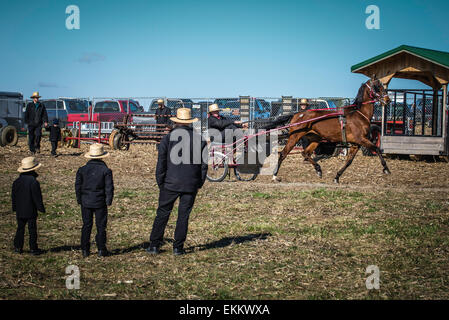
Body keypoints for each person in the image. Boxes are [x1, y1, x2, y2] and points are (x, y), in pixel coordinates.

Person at [147, 108, 208, 256]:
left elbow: (161, 163)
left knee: (162, 213)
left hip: (170, 182)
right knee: (183, 216)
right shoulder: (200, 139)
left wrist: (161, 182)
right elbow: (204, 165)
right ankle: (178, 247)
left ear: (176, 122)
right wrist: (199, 182)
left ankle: (154, 245)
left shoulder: (167, 139)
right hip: (190, 183)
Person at [75, 144, 114, 258]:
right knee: (101, 226)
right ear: (102, 156)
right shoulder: (106, 170)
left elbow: (78, 186)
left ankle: (85, 249)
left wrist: (79, 199)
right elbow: (109, 187)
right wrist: (108, 200)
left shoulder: (82, 170)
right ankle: (101, 249)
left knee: (86, 225)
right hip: (100, 202)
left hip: (86, 201)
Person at [11, 157, 45, 255]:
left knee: (20, 228)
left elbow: (14, 196)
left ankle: (18, 247)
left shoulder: (17, 182)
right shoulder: (33, 182)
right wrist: (41, 208)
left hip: (20, 209)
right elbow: (37, 197)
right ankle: (33, 248)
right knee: (32, 230)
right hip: (30, 209)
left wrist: (15, 207)